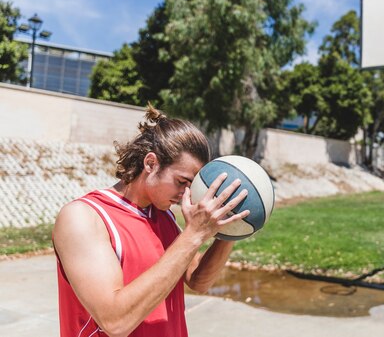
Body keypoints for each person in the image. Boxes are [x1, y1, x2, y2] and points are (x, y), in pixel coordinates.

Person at [53, 105, 249, 337]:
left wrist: (230, 228)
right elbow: (115, 321)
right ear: (150, 163)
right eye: (181, 182)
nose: (187, 194)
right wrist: (193, 234)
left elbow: (198, 280)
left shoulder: (163, 216)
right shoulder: (84, 217)